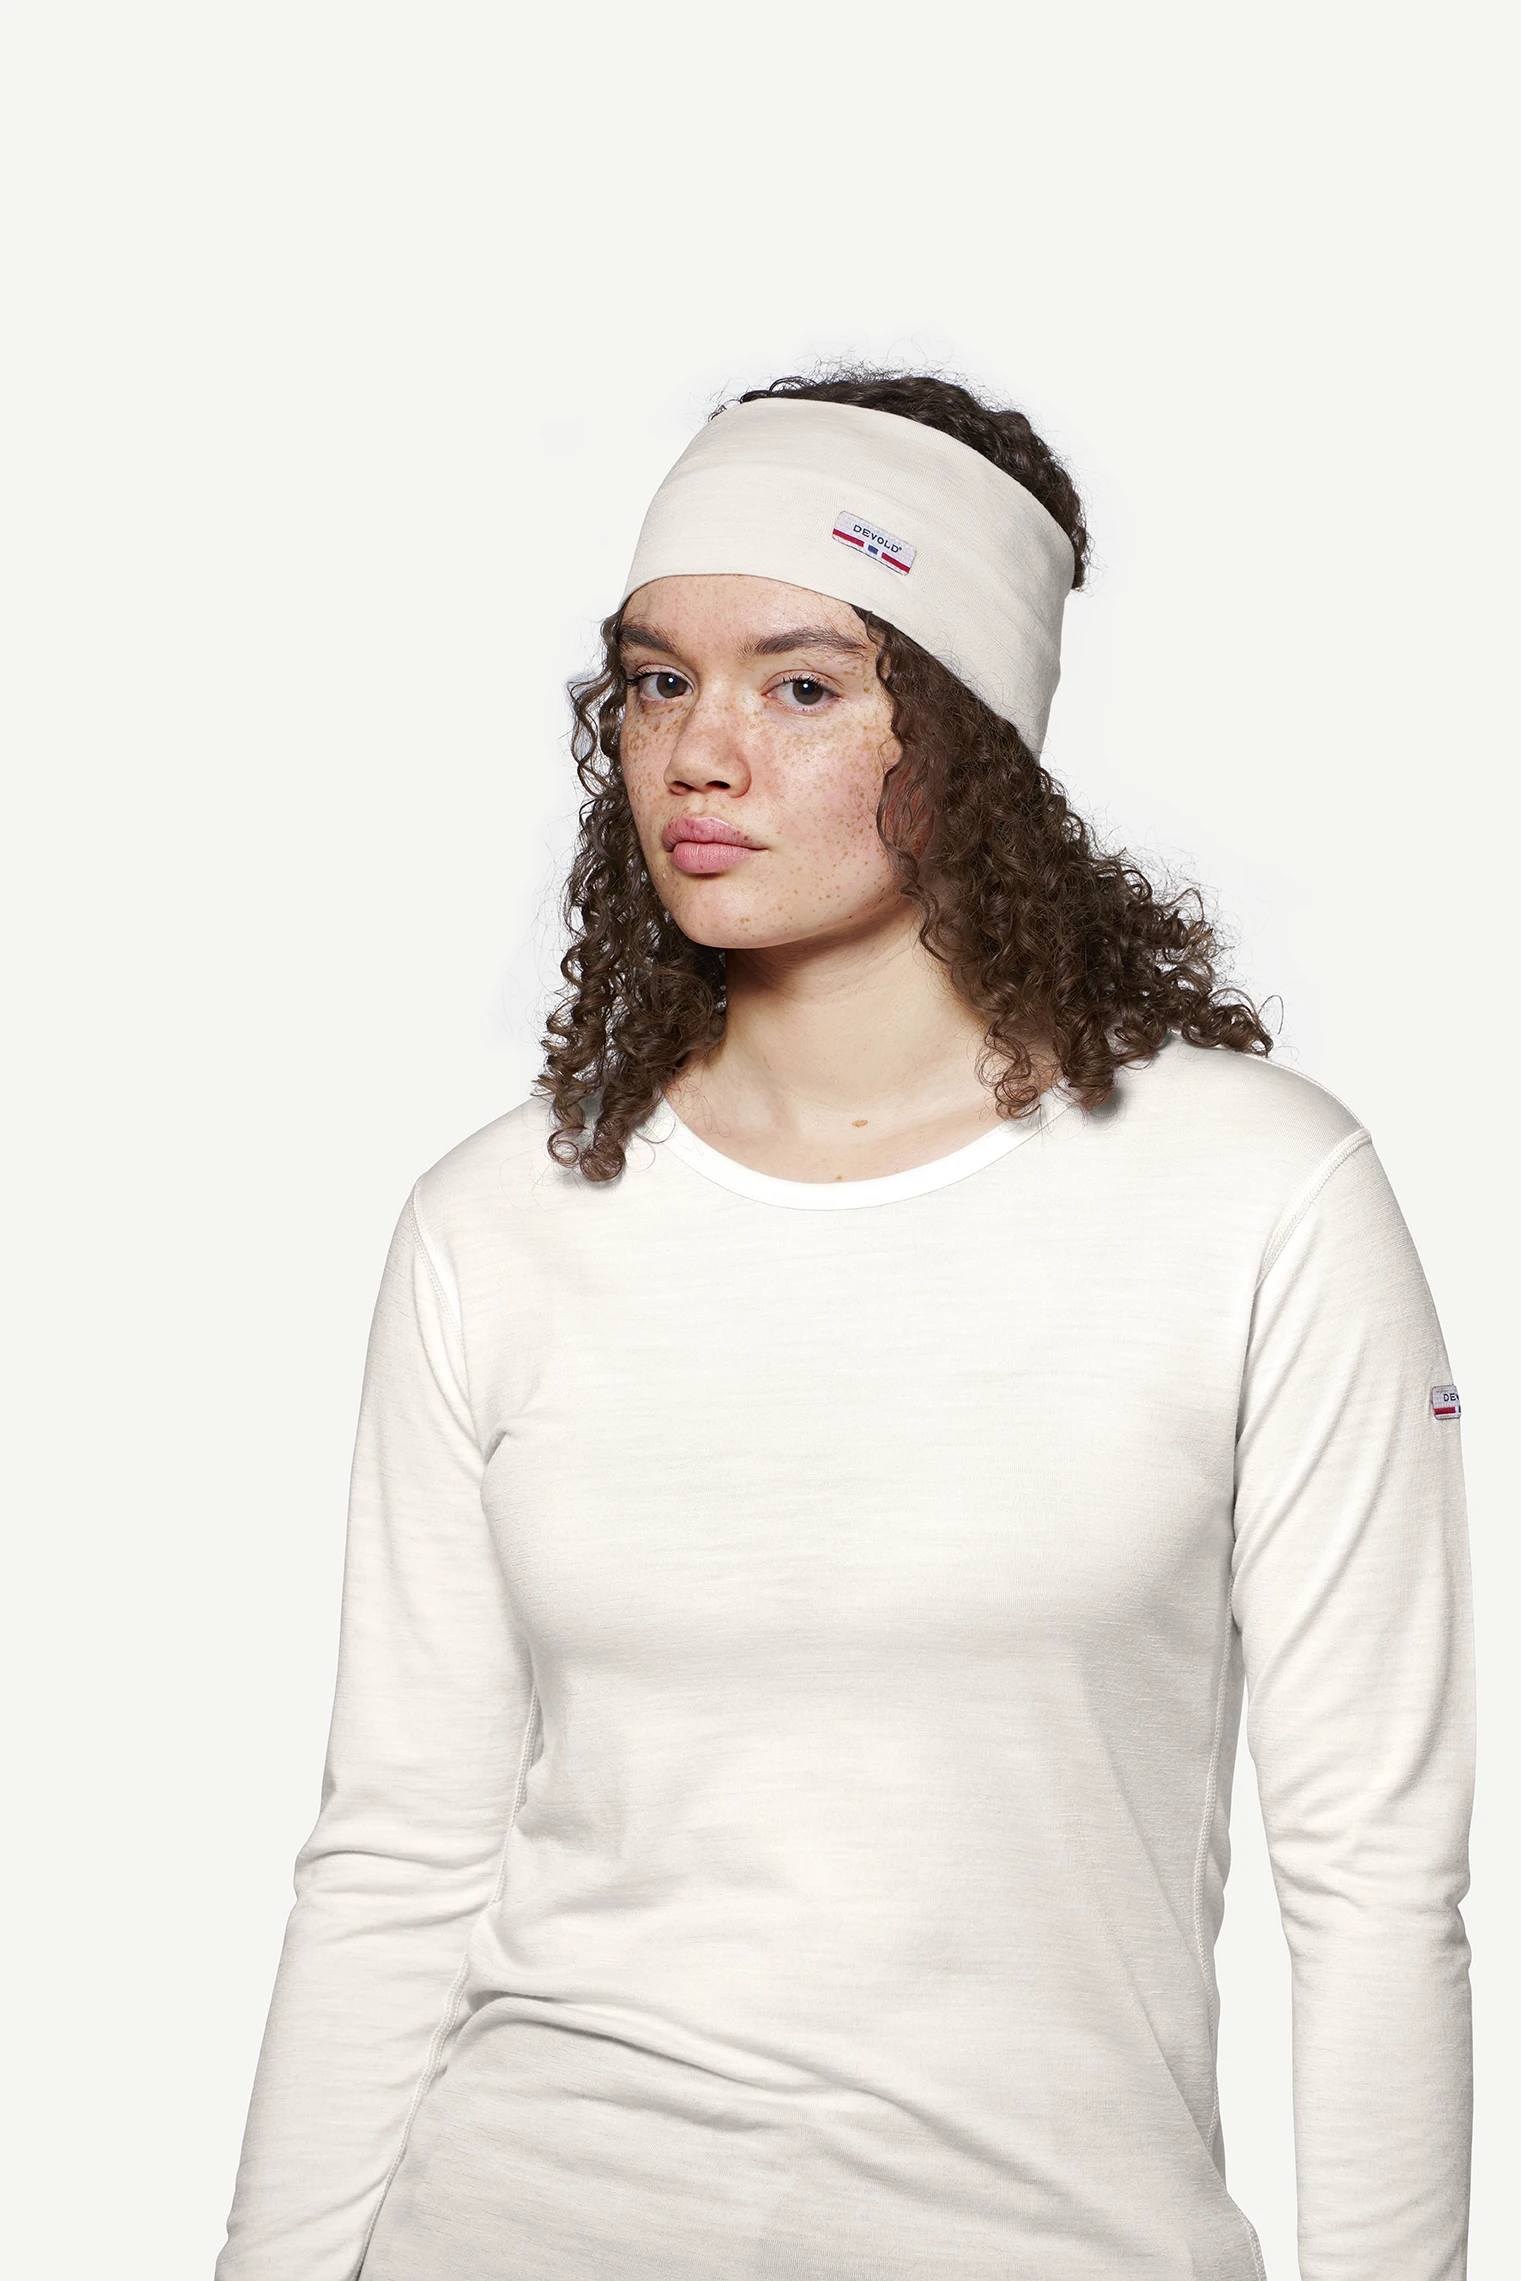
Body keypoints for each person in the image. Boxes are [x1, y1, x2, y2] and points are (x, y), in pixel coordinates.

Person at [213, 370, 1476, 2281]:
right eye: (657, 683)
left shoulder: (1256, 1197)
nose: (698, 756)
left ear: (966, 736)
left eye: (802, 686)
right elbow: (396, 1854)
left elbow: (1374, 1872)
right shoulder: (498, 1222)